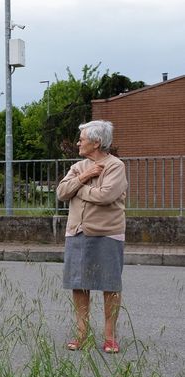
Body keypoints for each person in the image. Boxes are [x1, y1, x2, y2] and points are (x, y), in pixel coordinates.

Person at [56, 120, 127, 354]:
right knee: (79, 284)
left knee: (110, 285)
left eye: (82, 139)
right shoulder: (79, 166)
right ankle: (81, 334)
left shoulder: (115, 166)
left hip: (107, 233)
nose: (78, 142)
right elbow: (62, 192)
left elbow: (106, 196)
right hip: (77, 232)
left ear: (96, 142)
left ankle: (110, 336)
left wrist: (80, 190)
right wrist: (85, 176)